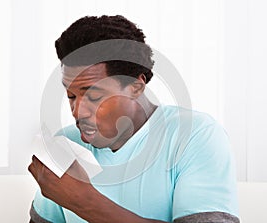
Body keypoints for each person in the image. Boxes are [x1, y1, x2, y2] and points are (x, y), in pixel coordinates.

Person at [28, 15, 240, 223]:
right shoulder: (66, 143)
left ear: (135, 87)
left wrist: (83, 201)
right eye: (71, 96)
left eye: (94, 96)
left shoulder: (196, 136)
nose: (78, 112)